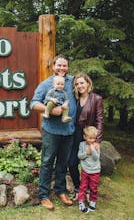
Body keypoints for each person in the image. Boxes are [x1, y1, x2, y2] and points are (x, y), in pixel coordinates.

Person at [30, 54, 76, 210]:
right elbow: (34, 104)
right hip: (51, 131)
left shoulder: (72, 82)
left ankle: (60, 191)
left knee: (63, 163)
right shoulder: (46, 84)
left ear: (68, 67)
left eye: (65, 66)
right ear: (54, 67)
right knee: (47, 162)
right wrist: (52, 110)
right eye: (59, 65)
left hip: (68, 130)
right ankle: (43, 195)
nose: (62, 68)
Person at [68, 72, 104, 202]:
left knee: (89, 165)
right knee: (72, 163)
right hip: (74, 136)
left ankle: (88, 191)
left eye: (82, 83)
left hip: (88, 137)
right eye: (77, 84)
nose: (79, 86)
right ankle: (78, 188)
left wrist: (97, 141)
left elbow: (100, 120)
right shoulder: (75, 99)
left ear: (88, 83)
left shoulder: (96, 99)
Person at [77, 126, 101, 214]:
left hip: (95, 171)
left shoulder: (96, 145)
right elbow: (79, 156)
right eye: (90, 138)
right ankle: (81, 202)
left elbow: (96, 158)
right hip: (85, 170)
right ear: (85, 137)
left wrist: (93, 150)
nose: (92, 140)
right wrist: (86, 152)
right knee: (83, 186)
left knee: (93, 187)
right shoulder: (82, 145)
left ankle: (93, 201)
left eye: (94, 138)